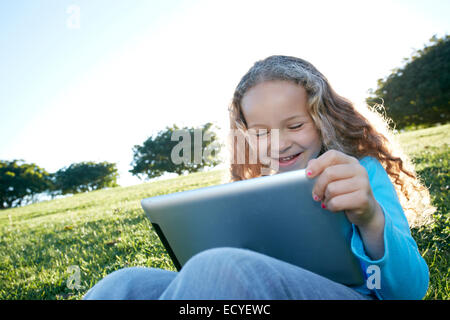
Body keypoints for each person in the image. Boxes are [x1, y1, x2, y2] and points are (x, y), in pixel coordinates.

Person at [83, 55, 433, 300]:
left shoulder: (360, 172)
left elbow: (409, 292)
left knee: (217, 266)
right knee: (124, 285)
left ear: (323, 119)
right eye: (262, 133)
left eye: (295, 125)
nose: (279, 143)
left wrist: (370, 217)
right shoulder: (251, 193)